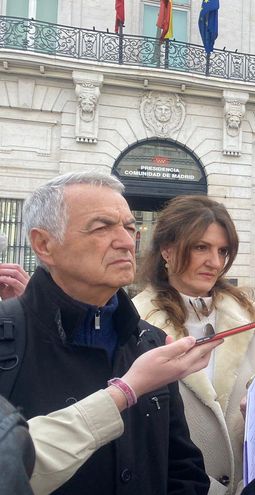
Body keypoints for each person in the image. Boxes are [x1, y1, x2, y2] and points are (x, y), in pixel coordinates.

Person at [7, 171, 209, 494]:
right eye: (102, 227)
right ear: (44, 244)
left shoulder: (150, 341)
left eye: (130, 227)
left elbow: (184, 470)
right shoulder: (8, 338)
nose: (128, 242)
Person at [133, 195, 255, 494]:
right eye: (201, 247)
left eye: (222, 251)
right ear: (167, 249)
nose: (214, 262)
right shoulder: (133, 324)